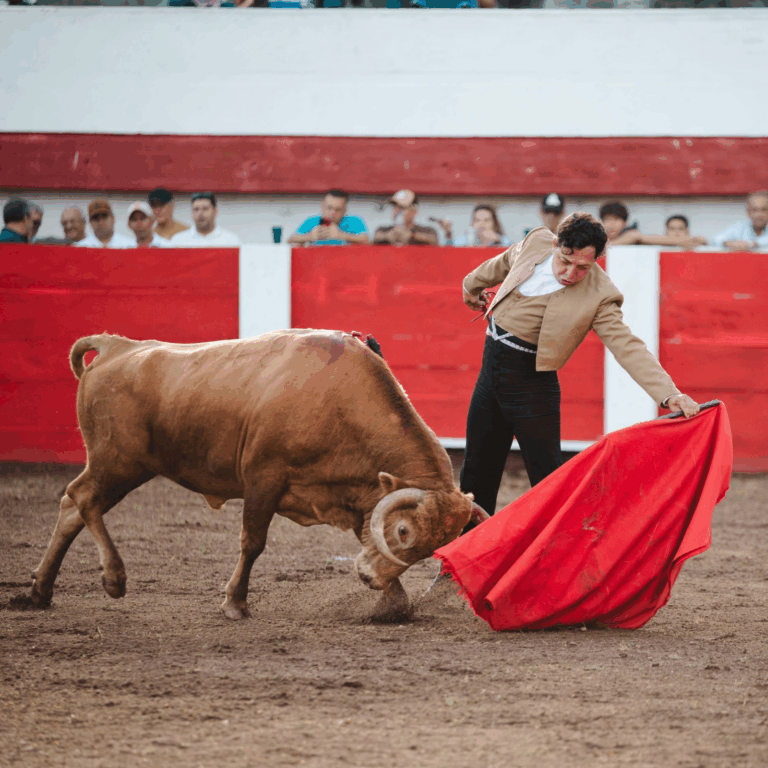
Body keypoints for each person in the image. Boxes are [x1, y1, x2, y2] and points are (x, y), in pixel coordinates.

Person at [460, 213, 699, 522]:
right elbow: (493, 268)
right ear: (557, 244)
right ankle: (462, 566)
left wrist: (670, 395)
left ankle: (555, 564)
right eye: (565, 261)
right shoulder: (535, 243)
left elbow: (627, 346)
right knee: (475, 475)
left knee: (548, 483)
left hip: (533, 389)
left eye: (583, 267)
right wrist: (471, 292)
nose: (571, 274)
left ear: (597, 260)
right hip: (489, 378)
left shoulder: (600, 294)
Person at [600, 201, 706, 249]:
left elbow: (650, 239)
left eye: (616, 220)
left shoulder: (632, 236)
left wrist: (688, 240)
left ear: (625, 222)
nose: (611, 225)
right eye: (607, 220)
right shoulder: (596, 238)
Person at [287, 189, 369, 246]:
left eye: (338, 209)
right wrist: (310, 236)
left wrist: (341, 235)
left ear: (344, 211)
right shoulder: (312, 221)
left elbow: (367, 241)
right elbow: (290, 240)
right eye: (329, 208)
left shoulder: (354, 221)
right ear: (322, 206)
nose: (332, 213)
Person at [170, 192, 241, 247]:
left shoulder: (230, 241)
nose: (200, 213)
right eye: (196, 209)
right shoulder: (178, 241)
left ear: (215, 211)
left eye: (205, 209)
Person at [374, 189, 438, 246]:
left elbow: (433, 240)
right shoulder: (383, 230)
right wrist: (388, 236)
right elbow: (375, 238)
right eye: (394, 207)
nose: (397, 211)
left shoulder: (427, 231)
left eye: (402, 207)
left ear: (414, 211)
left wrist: (411, 236)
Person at [441, 204, 511, 247]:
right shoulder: (466, 240)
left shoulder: (503, 241)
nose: (482, 224)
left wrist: (498, 241)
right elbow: (450, 251)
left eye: (486, 220)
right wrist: (448, 233)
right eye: (477, 220)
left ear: (494, 223)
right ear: (472, 223)